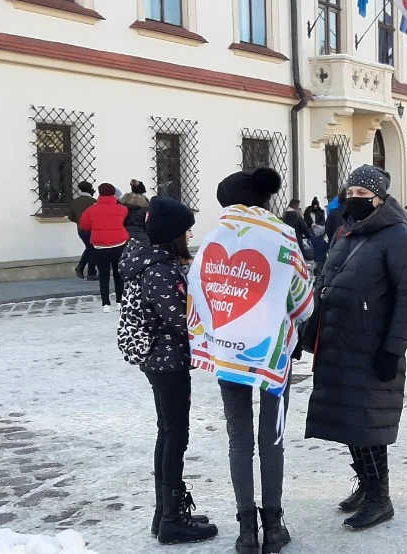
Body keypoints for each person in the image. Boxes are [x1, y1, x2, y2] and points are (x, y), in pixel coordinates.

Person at [187, 167, 314, 554]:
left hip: (227, 353)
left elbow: (198, 292)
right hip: (272, 353)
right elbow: (302, 300)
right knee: (270, 439)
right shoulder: (282, 237)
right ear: (263, 200)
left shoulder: (211, 241)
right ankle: (273, 526)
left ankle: (246, 530)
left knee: (238, 441)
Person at [301, 165, 407, 531]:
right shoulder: (347, 231)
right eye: (349, 194)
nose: (353, 200)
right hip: (340, 341)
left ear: (379, 199)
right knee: (350, 421)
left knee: (368, 423)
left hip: (372, 347)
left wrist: (393, 349)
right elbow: (326, 278)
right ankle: (366, 484)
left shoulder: (396, 236)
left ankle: (379, 498)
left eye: (361, 195)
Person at [117, 197, 217, 545]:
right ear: (172, 233)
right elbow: (177, 318)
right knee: (175, 436)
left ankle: (165, 512)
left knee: (168, 433)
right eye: (186, 230)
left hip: (163, 360)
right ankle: (172, 518)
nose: (190, 236)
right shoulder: (159, 268)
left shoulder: (153, 261)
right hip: (166, 361)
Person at [79, 183, 129, 312]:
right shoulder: (122, 209)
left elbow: (84, 225)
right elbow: (123, 220)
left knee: (103, 275)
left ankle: (105, 304)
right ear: (114, 194)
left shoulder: (91, 209)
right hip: (119, 243)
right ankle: (119, 301)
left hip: (99, 245)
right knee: (118, 275)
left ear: (99, 193)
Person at [68, 181, 98, 280]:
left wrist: (78, 221)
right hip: (92, 229)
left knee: (90, 248)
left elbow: (71, 217)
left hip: (80, 229)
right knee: (92, 249)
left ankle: (86, 270)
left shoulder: (74, 201)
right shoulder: (93, 201)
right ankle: (88, 272)